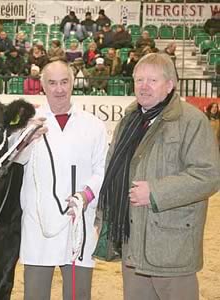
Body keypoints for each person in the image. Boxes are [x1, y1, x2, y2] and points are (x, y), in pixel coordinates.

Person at [94, 53, 220, 300]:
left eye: (152, 80)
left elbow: (209, 174)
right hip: (132, 241)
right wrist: (103, 218)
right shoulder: (129, 120)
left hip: (172, 247)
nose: (143, 86)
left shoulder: (191, 121)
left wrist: (156, 192)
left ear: (170, 84)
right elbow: (112, 171)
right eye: (139, 79)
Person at [16, 60, 108, 300]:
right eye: (52, 83)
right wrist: (27, 139)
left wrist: (86, 195)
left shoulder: (94, 125)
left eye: (64, 82)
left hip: (78, 223)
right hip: (39, 226)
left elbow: (102, 169)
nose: (59, 89)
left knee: (78, 295)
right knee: (35, 295)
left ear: (73, 83)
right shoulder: (29, 123)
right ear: (42, 86)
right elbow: (14, 161)